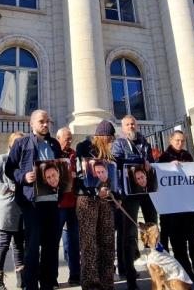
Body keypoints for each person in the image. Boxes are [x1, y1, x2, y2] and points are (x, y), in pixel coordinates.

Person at [5, 110, 64, 290]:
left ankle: (48, 284)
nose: (45, 125)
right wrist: (24, 177)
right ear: (31, 124)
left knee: (51, 246)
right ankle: (30, 286)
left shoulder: (54, 144)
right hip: (32, 203)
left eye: (48, 121)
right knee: (32, 247)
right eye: (41, 121)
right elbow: (9, 169)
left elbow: (60, 168)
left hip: (53, 202)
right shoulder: (22, 143)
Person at [111, 115, 158, 290]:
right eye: (127, 124)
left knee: (152, 228)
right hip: (129, 194)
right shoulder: (119, 143)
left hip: (146, 191)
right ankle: (130, 275)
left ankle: (157, 269)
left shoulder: (144, 141)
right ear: (122, 128)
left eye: (133, 123)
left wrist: (148, 164)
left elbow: (152, 163)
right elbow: (117, 163)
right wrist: (139, 162)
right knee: (129, 234)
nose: (131, 126)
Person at [158, 130, 194, 283]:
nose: (180, 143)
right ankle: (187, 273)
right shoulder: (164, 157)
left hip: (189, 206)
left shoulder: (187, 156)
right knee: (179, 244)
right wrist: (168, 166)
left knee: (193, 241)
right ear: (170, 140)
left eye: (182, 141)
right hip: (174, 209)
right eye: (177, 141)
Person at [75, 120, 118, 290]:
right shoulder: (83, 147)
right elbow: (80, 175)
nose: (111, 142)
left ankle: (107, 282)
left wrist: (117, 195)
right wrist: (94, 192)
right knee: (89, 243)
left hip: (106, 200)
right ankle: (91, 283)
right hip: (87, 199)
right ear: (102, 136)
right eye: (109, 138)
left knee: (107, 240)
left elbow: (114, 177)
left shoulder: (109, 154)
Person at [0, 132, 27, 290]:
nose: (20, 146)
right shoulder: (2, 159)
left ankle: (22, 280)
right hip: (6, 209)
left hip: (22, 209)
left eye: (22, 143)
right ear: (10, 144)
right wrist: (4, 188)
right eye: (17, 143)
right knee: (3, 245)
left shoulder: (25, 162)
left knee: (19, 245)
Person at [55, 127, 80, 286]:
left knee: (73, 241)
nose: (69, 141)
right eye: (66, 138)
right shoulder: (53, 153)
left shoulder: (73, 154)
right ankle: (52, 277)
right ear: (58, 138)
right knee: (53, 241)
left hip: (73, 202)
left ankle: (75, 274)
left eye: (70, 138)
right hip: (58, 204)